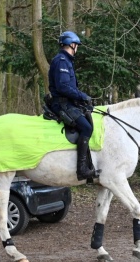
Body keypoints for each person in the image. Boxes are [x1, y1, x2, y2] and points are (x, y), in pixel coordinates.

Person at [48, 31, 97, 180]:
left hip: (68, 102)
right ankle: (81, 169)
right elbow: (63, 87)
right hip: (62, 104)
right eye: (77, 46)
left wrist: (83, 100)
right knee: (86, 128)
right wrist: (82, 96)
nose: (77, 49)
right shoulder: (62, 61)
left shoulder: (66, 61)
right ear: (72, 44)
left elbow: (71, 87)